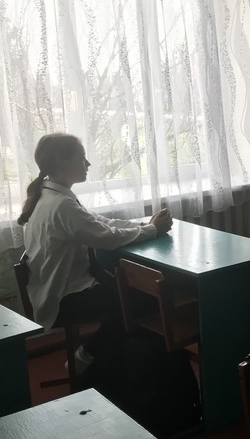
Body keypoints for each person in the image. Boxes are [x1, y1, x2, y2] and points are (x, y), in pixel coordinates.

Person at [17, 133, 173, 375]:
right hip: (63, 297)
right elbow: (106, 238)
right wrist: (152, 230)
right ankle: (89, 356)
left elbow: (98, 223)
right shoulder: (61, 205)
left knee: (133, 296)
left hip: (53, 289)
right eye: (82, 158)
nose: (88, 163)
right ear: (62, 162)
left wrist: (144, 226)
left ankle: (112, 359)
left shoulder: (51, 195)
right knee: (143, 300)